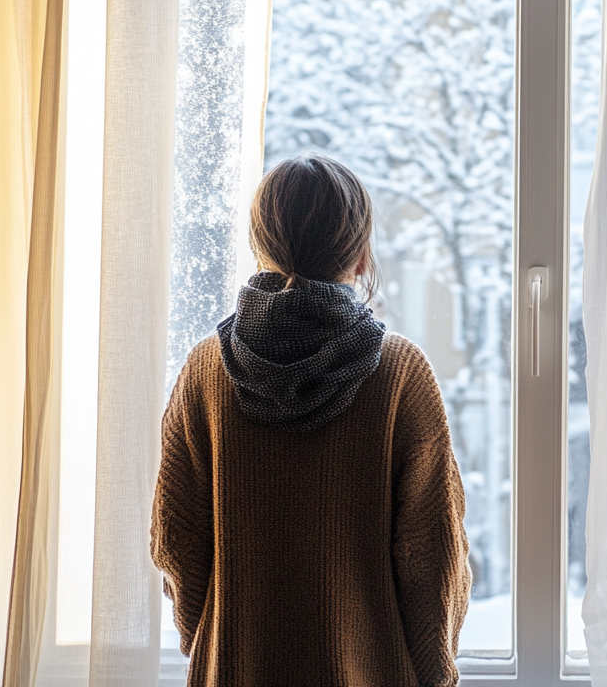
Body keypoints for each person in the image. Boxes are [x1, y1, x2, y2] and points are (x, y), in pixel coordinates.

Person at [151, 153, 471, 686]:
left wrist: (210, 639)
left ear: (259, 247)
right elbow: (432, 551)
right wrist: (435, 671)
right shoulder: (400, 374)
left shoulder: (206, 371)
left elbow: (177, 537)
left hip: (236, 666)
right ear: (362, 256)